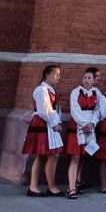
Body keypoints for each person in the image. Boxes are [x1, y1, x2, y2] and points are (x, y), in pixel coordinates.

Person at [23, 65, 64, 197]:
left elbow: (54, 109)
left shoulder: (50, 90)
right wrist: (54, 124)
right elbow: (44, 110)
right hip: (43, 123)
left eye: (59, 74)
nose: (58, 77)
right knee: (52, 155)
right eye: (56, 74)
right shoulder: (41, 90)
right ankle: (49, 187)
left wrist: (58, 121)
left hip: (48, 123)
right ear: (47, 75)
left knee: (43, 156)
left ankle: (34, 187)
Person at [65, 68, 100, 199]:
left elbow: (98, 111)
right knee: (75, 157)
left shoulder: (97, 93)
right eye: (85, 78)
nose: (86, 80)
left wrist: (92, 123)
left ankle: (77, 183)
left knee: (84, 156)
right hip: (78, 127)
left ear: (94, 80)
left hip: (90, 128)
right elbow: (74, 110)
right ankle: (71, 188)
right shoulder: (75, 92)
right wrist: (84, 124)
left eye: (89, 78)